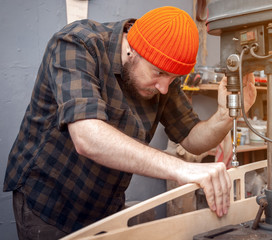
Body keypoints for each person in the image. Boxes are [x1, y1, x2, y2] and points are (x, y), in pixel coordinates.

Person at [3, 6, 257, 239]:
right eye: (158, 73)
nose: (164, 88)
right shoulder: (77, 44)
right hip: (49, 201)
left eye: (173, 78)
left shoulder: (164, 77)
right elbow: (87, 137)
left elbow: (193, 140)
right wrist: (181, 168)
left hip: (105, 205)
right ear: (132, 49)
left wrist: (225, 114)